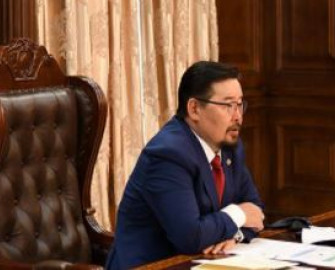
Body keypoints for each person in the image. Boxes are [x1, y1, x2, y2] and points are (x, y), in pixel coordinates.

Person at [106, 61, 265, 269]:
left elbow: (256, 211)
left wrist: (235, 235)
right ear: (194, 109)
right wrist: (239, 214)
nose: (238, 116)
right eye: (228, 105)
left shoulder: (230, 147)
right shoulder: (168, 154)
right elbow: (190, 236)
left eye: (240, 104)